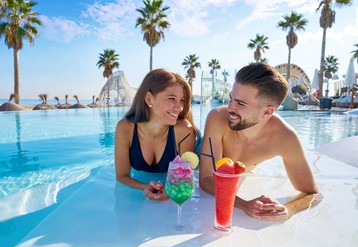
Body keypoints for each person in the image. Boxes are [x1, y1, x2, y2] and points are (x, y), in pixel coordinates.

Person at [199, 62, 321, 221]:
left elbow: (313, 193)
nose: (229, 108)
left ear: (267, 111)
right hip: (201, 152)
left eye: (240, 103)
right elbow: (206, 178)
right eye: (231, 99)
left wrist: (288, 209)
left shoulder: (285, 138)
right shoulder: (217, 118)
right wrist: (243, 204)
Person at [115, 69, 199, 201]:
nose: (179, 107)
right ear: (149, 98)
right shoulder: (125, 128)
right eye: (171, 98)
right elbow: (122, 175)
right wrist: (145, 187)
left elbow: (185, 176)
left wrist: (171, 188)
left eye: (181, 100)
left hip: (171, 194)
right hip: (137, 190)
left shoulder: (183, 130)